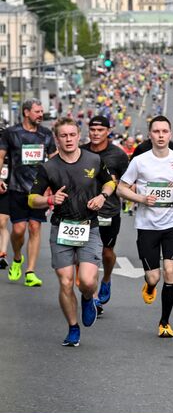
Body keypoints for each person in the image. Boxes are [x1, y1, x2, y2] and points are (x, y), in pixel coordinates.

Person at [29, 117, 119, 347]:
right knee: (66, 282)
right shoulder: (48, 166)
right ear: (56, 139)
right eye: (63, 136)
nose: (68, 139)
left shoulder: (94, 159)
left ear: (79, 136)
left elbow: (109, 183)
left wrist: (102, 196)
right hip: (62, 228)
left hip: (89, 227)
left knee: (87, 281)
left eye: (72, 135)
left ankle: (88, 298)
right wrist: (49, 199)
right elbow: (32, 199)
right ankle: (72, 327)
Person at [116, 115, 173, 338]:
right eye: (156, 131)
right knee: (154, 277)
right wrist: (140, 199)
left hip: (171, 225)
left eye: (164, 131)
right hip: (147, 226)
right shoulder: (140, 161)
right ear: (150, 134)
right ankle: (149, 286)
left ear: (170, 134)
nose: (161, 135)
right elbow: (122, 189)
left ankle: (164, 322)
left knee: (170, 271)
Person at [1, 98, 58, 287]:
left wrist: (55, 184)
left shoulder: (46, 134)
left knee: (34, 227)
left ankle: (30, 272)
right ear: (26, 113)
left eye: (42, 111)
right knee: (18, 230)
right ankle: (17, 258)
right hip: (16, 188)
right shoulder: (11, 133)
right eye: (37, 111)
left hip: (38, 190)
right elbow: (1, 156)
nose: (41, 114)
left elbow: (53, 160)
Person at [83, 115, 130, 312]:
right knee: (87, 254)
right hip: (83, 211)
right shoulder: (81, 151)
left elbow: (127, 182)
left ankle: (107, 279)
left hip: (108, 211)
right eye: (92, 130)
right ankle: (93, 297)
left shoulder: (118, 155)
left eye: (100, 130)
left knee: (106, 253)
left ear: (108, 132)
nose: (96, 133)